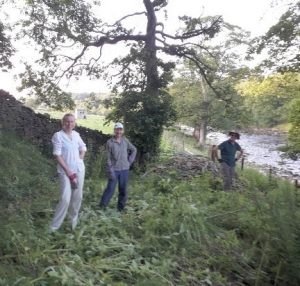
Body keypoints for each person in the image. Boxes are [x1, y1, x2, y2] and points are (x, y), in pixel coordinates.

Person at [50, 113, 87, 231]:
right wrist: (68, 172)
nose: (70, 124)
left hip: (79, 169)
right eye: (67, 121)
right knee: (65, 199)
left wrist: (81, 154)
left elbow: (83, 147)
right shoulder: (58, 136)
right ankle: (53, 228)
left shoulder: (76, 135)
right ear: (63, 122)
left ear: (74, 123)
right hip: (65, 172)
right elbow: (57, 154)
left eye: (72, 122)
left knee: (77, 197)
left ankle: (72, 223)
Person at [99, 122, 137, 211]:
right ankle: (102, 207)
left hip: (125, 169)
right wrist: (111, 170)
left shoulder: (125, 141)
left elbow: (134, 149)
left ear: (122, 131)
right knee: (110, 188)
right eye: (117, 129)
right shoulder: (110, 142)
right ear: (114, 130)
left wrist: (130, 161)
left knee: (123, 189)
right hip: (114, 170)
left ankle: (120, 209)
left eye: (120, 130)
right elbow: (108, 157)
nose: (119, 132)